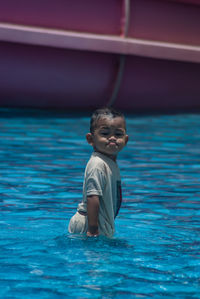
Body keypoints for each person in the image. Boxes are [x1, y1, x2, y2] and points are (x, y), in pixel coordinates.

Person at [68, 107, 128, 237]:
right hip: (89, 224)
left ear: (126, 140)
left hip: (98, 223)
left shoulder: (108, 162)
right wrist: (93, 229)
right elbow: (92, 196)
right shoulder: (97, 164)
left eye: (118, 134)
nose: (112, 138)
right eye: (105, 133)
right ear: (91, 139)